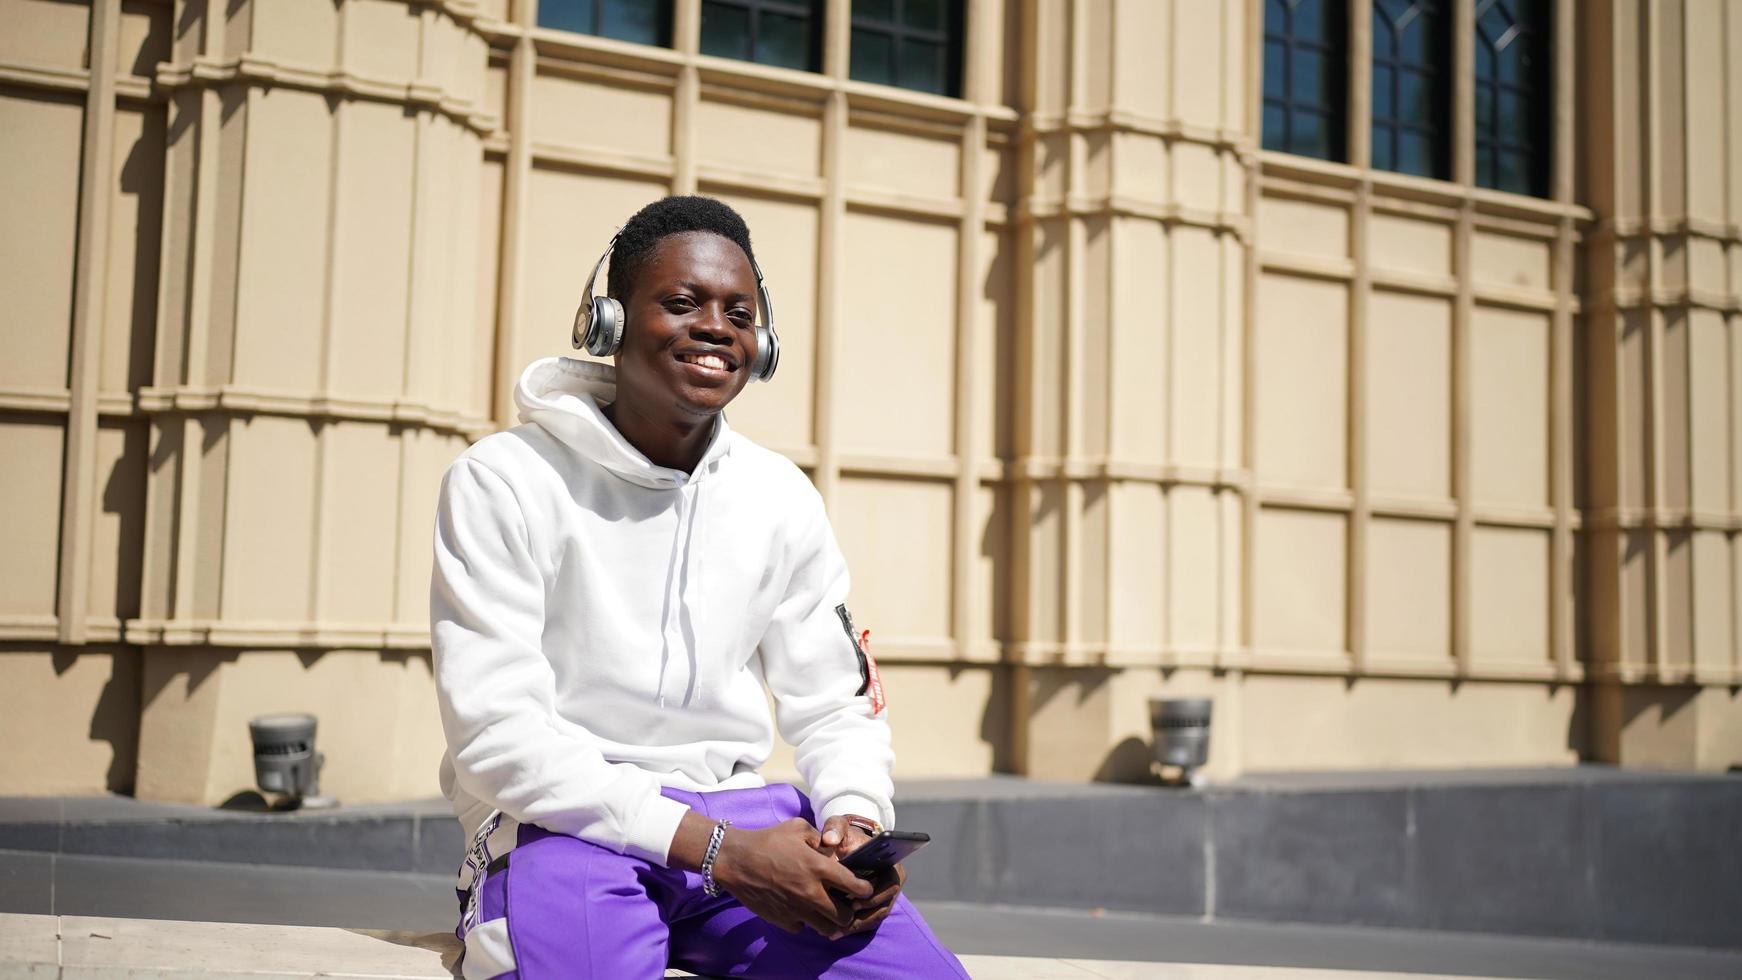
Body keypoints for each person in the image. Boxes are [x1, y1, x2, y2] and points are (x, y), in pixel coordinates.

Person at [430, 195, 969, 979]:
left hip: (748, 829)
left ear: (763, 342)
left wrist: (854, 818)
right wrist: (720, 855)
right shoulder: (503, 481)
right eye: (682, 303)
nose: (715, 326)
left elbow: (835, 702)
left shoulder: (780, 496)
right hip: (565, 832)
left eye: (739, 313)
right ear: (607, 324)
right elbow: (497, 740)